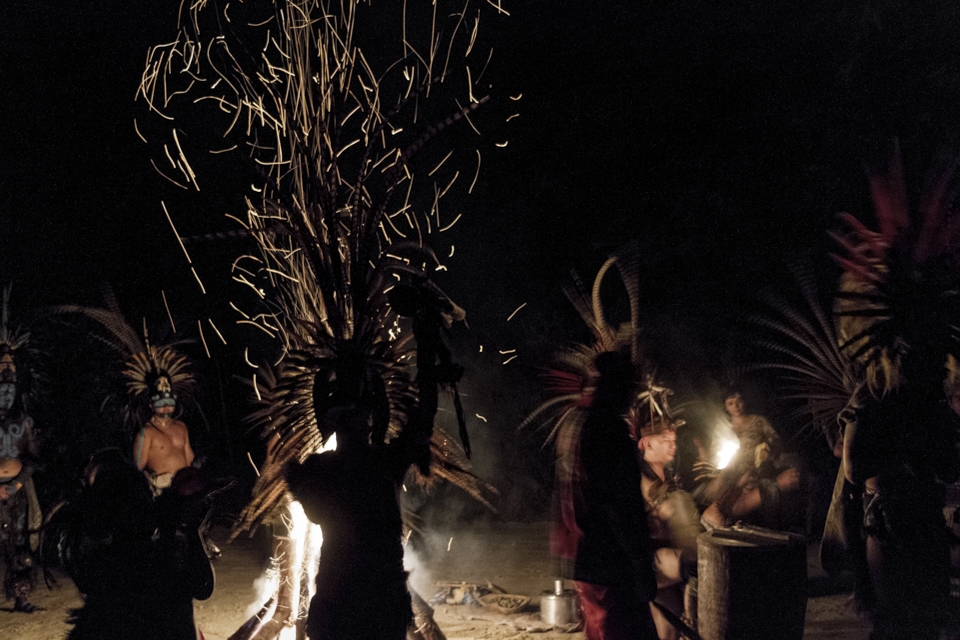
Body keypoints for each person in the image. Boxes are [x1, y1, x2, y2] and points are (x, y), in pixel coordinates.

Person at [844, 352, 960, 640]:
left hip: (926, 518)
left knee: (928, 619)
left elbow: (949, 468)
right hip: (887, 520)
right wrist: (902, 452)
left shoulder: (932, 399)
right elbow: (853, 469)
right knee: (894, 619)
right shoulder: (871, 396)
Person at [285, 405, 421, 640]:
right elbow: (420, 425)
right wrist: (428, 376)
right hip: (381, 601)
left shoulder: (320, 470)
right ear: (367, 430)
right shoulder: (385, 461)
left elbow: (313, 513)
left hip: (338, 600)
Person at [62, 448, 212, 640]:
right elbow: (203, 587)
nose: (152, 500)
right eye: (148, 496)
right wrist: (187, 528)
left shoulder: (101, 563)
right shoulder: (163, 558)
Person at [569, 351, 658, 640]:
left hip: (592, 562)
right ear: (615, 386)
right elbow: (618, 508)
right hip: (610, 567)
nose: (632, 396)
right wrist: (641, 566)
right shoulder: (608, 432)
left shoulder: (582, 424)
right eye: (629, 387)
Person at [638, 416, 700, 640]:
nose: (672, 445)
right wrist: (658, 506)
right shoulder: (639, 476)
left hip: (670, 555)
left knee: (669, 633)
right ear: (647, 443)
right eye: (665, 439)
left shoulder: (669, 479)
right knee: (695, 565)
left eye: (674, 440)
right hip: (650, 561)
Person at [702, 391, 800, 530]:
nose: (735, 406)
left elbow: (776, 442)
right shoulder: (723, 427)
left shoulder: (758, 421)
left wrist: (769, 450)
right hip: (732, 475)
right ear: (726, 407)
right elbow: (716, 456)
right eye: (730, 403)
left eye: (738, 401)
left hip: (758, 471)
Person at [0, 344, 42, 613]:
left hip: (17, 491)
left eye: (11, 370)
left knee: (19, 543)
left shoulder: (24, 421)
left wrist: (16, 484)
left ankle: (21, 599)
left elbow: (35, 458)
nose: (6, 377)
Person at [133, 373, 195, 496]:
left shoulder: (181, 426)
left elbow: (189, 458)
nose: (166, 407)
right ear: (151, 405)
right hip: (163, 491)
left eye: (169, 402)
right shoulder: (146, 432)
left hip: (186, 485)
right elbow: (137, 469)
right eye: (161, 403)